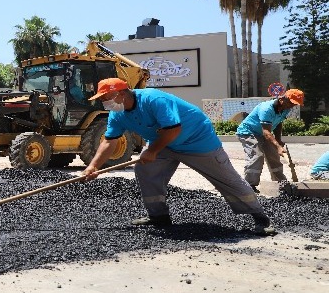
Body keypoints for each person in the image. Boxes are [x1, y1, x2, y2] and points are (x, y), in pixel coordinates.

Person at [82, 78, 275, 235]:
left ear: (121, 93)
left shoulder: (153, 99)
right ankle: (158, 217)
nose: (104, 102)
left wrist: (153, 150)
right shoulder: (118, 113)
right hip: (164, 143)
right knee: (146, 170)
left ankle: (260, 217)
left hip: (197, 142)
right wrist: (93, 166)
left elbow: (173, 129)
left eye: (106, 98)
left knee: (226, 178)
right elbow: (109, 141)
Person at [235, 89, 305, 192]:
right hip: (248, 132)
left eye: (295, 104)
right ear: (282, 99)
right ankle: (249, 186)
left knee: (274, 156)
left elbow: (278, 123)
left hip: (262, 133)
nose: (292, 106)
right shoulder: (266, 109)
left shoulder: (286, 108)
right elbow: (266, 132)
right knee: (257, 156)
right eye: (291, 103)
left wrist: (278, 140)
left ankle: (280, 183)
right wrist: (278, 146)